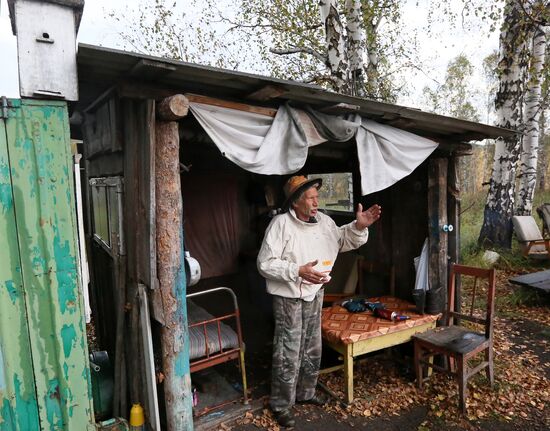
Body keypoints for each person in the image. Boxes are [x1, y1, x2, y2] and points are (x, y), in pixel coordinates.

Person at [257, 175, 382, 428]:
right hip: (288, 296)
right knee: (288, 351)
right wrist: (297, 270)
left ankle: (306, 392)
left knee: (313, 345)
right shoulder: (280, 224)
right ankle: (281, 404)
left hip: (315, 292)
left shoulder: (324, 222)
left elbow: (341, 240)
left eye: (317, 197)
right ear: (295, 202)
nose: (316, 202)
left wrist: (358, 227)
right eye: (311, 198)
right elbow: (265, 264)